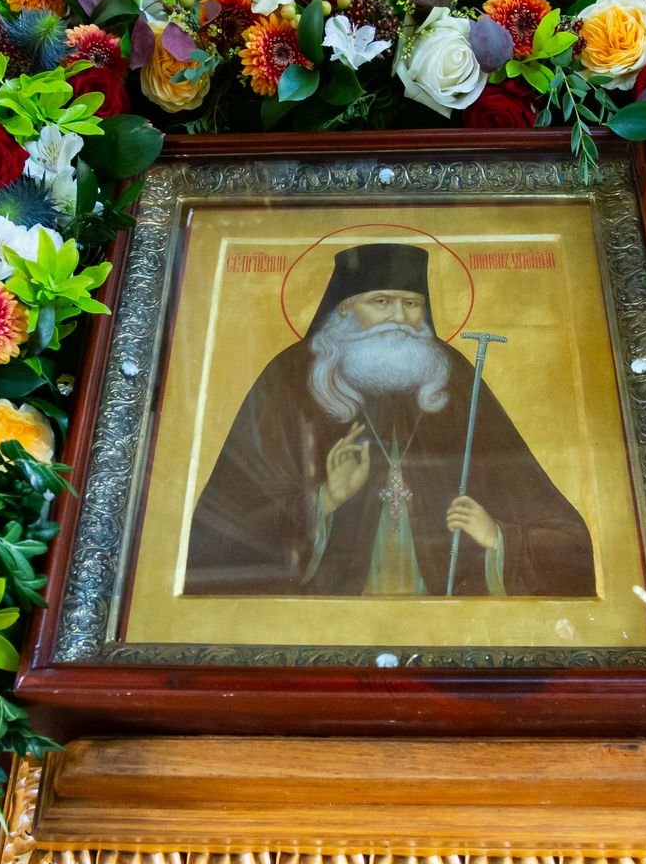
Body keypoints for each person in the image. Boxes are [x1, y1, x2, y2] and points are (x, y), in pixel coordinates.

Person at [184, 242, 595, 597]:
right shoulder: (291, 377)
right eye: (381, 302)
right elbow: (222, 535)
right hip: (324, 622)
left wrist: (500, 538)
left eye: (411, 304)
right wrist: (325, 501)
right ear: (345, 308)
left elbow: (559, 531)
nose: (400, 316)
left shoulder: (451, 375)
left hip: (447, 620)